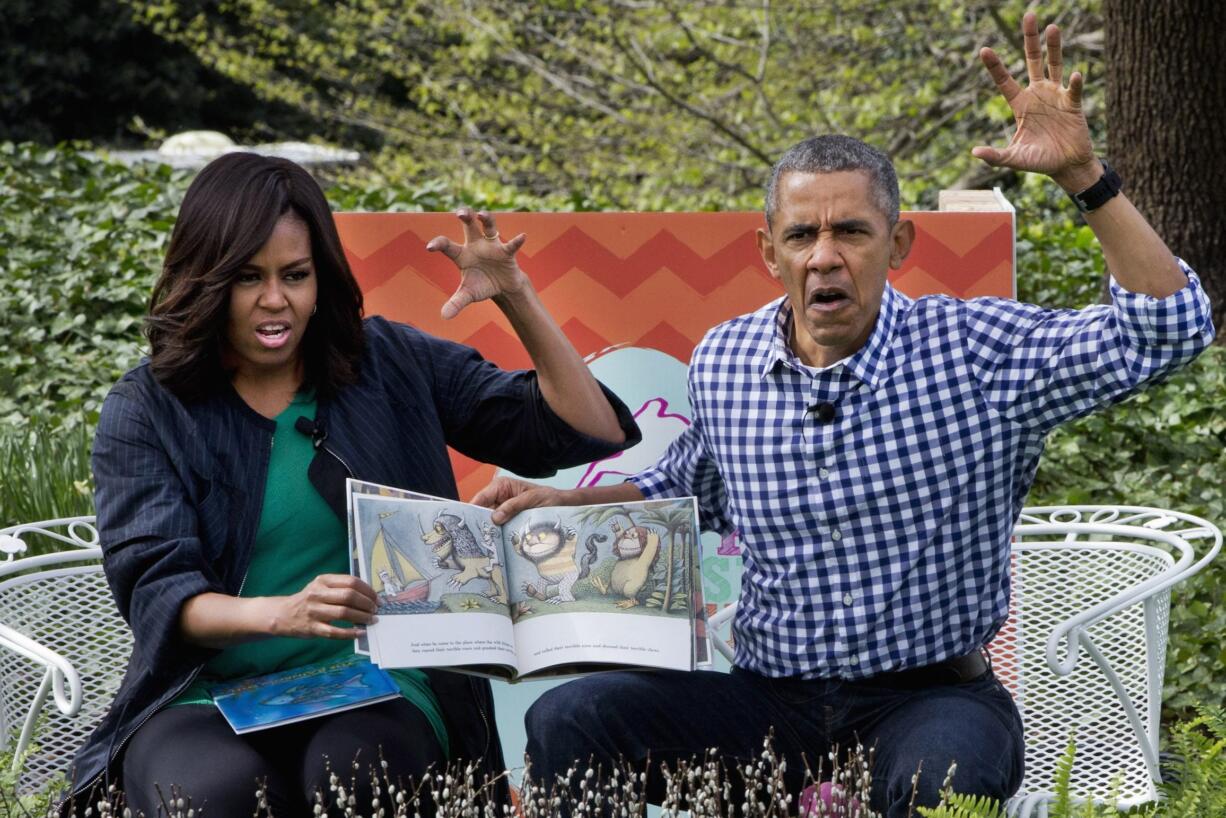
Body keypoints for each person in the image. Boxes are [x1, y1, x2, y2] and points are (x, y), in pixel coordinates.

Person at [473, 13, 1215, 817]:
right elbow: (692, 486)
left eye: (850, 232)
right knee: (571, 720)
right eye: (803, 234)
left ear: (897, 244)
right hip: (769, 702)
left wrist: (1085, 178)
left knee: (944, 786)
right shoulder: (726, 359)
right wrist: (567, 502)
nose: (824, 254)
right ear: (770, 252)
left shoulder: (977, 351)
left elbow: (1167, 329)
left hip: (930, 700)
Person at [61, 153, 639, 816]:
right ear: (206, 279)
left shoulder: (386, 363)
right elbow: (159, 595)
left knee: (359, 776)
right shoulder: (148, 408)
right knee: (218, 795)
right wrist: (282, 613)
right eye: (248, 277)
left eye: (295, 276)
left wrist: (516, 295)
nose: (275, 300)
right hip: (202, 693)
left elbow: (582, 430)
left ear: (322, 278)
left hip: (380, 683)